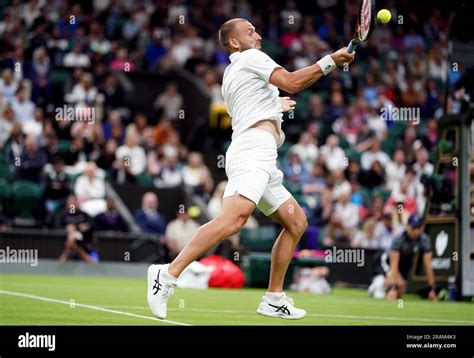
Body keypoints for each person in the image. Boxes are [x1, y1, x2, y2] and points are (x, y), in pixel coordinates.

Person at [147, 18, 354, 320]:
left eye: (256, 30)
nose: (258, 36)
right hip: (252, 150)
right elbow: (294, 82)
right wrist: (331, 60)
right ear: (234, 42)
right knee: (233, 221)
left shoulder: (234, 73)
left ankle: (274, 297)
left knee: (296, 223)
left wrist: (275, 105)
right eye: (250, 32)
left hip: (262, 155)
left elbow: (255, 105)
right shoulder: (252, 58)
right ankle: (166, 274)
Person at [385, 214, 437, 301]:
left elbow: (428, 266)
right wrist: (393, 287)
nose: (416, 231)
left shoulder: (425, 239)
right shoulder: (399, 238)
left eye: (418, 228)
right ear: (407, 226)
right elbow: (393, 264)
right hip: (388, 263)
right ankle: (379, 285)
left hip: (405, 266)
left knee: (400, 291)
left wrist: (432, 289)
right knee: (397, 286)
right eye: (413, 228)